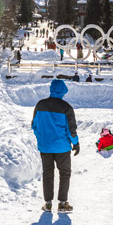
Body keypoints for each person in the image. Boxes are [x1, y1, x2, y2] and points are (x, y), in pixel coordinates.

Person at [31, 79, 79, 213]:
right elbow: (71, 129)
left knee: (47, 173)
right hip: (62, 147)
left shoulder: (40, 105)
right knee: (64, 174)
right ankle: (63, 204)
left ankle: (48, 204)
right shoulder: (66, 107)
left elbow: (34, 125)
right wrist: (75, 143)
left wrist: (42, 137)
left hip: (45, 146)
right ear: (64, 91)